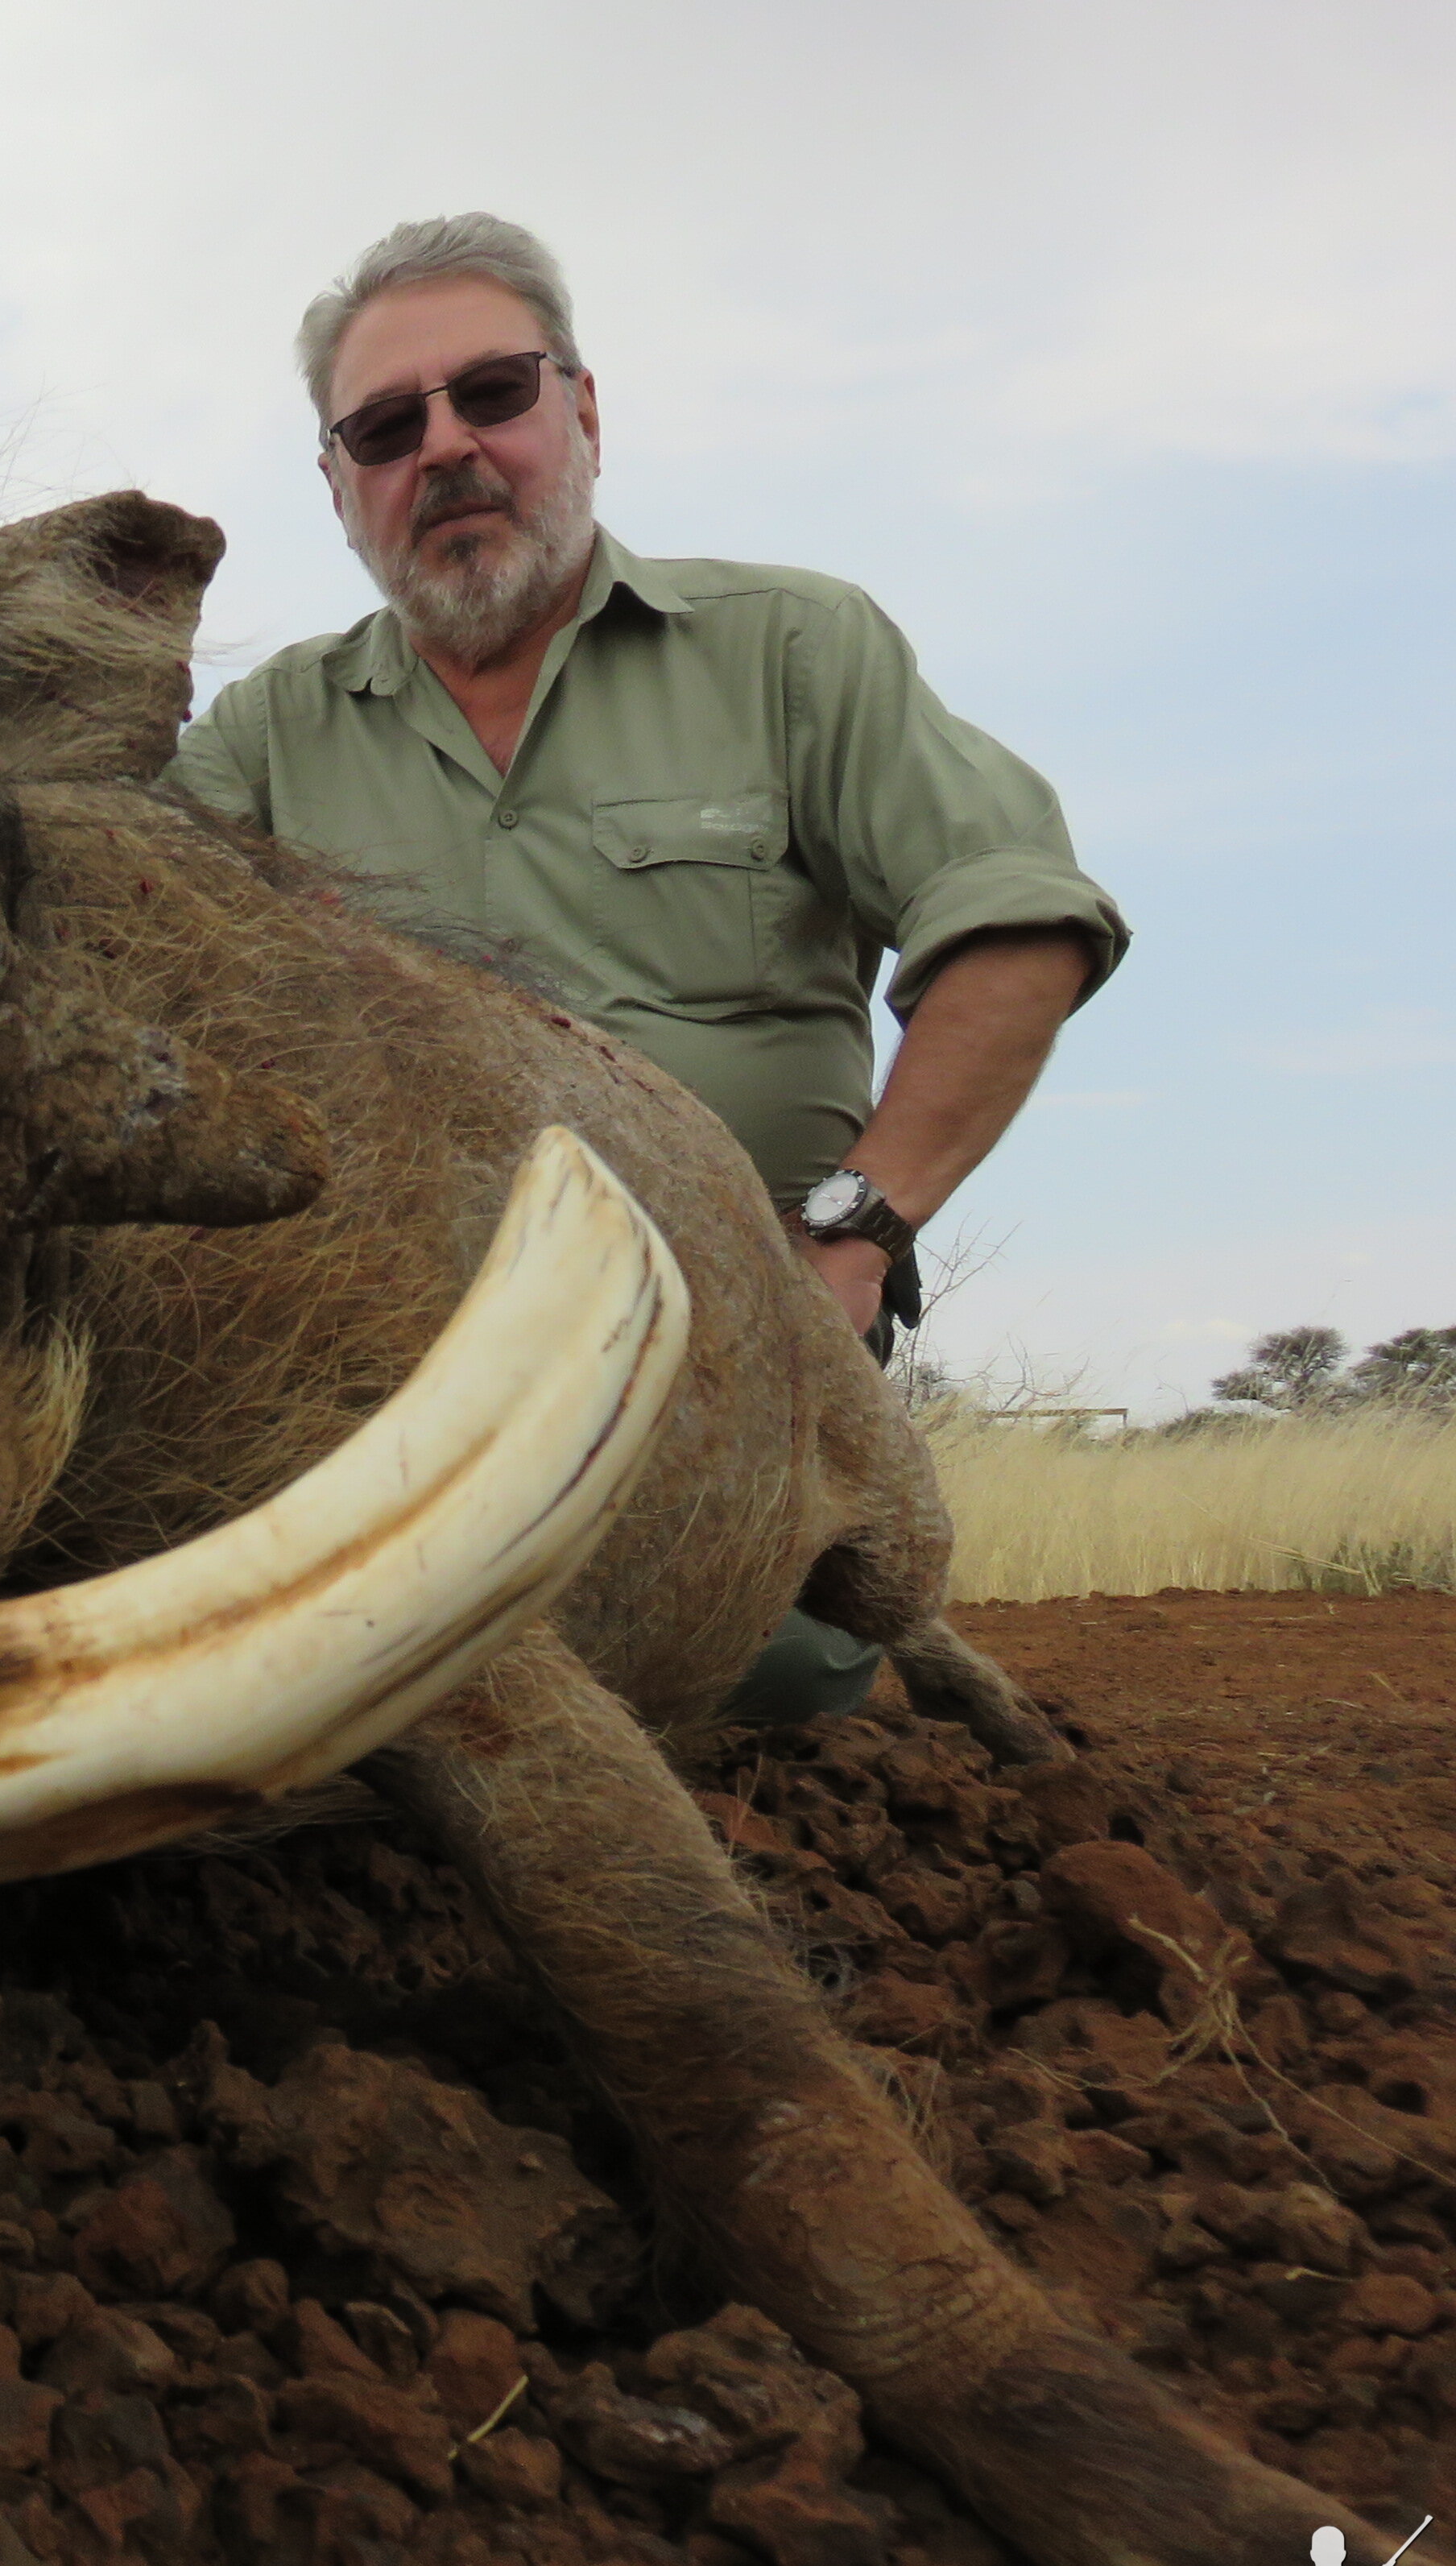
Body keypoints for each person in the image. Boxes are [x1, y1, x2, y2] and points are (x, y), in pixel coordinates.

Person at [169, 213, 1126, 1721]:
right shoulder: (257, 742)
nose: (447, 449)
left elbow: (1016, 921)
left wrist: (852, 1240)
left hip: (732, 1374)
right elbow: (104, 956)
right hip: (371, 1391)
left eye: (493, 394)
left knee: (755, 1682)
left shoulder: (793, 649)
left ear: (583, 411)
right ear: (340, 482)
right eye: (385, 425)